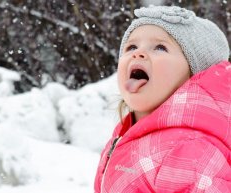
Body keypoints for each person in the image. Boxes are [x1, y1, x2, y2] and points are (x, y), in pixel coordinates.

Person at [94, 5, 231, 193]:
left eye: (160, 47)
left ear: (193, 75)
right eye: (131, 46)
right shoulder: (126, 136)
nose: (138, 53)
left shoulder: (189, 150)